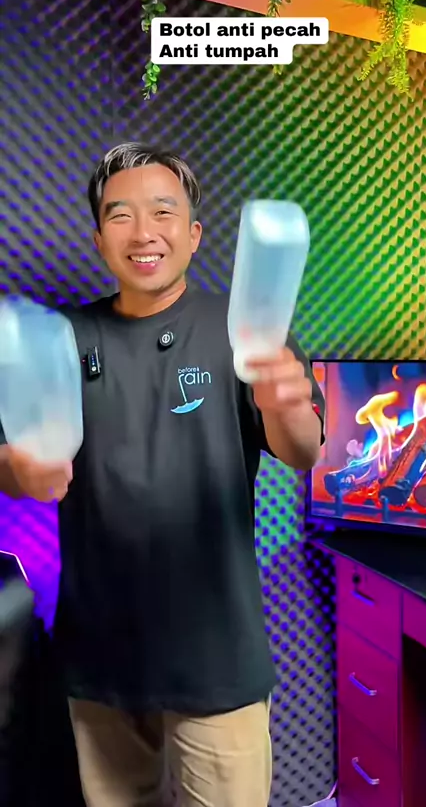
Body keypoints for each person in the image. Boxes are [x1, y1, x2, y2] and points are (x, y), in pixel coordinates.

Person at [0, 143, 325, 807]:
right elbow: (13, 465)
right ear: (99, 238)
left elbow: (302, 450)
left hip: (217, 660)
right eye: (120, 215)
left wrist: (285, 403)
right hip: (100, 662)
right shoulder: (61, 338)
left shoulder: (243, 331)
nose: (143, 232)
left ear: (194, 233)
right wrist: (20, 472)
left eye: (163, 211)